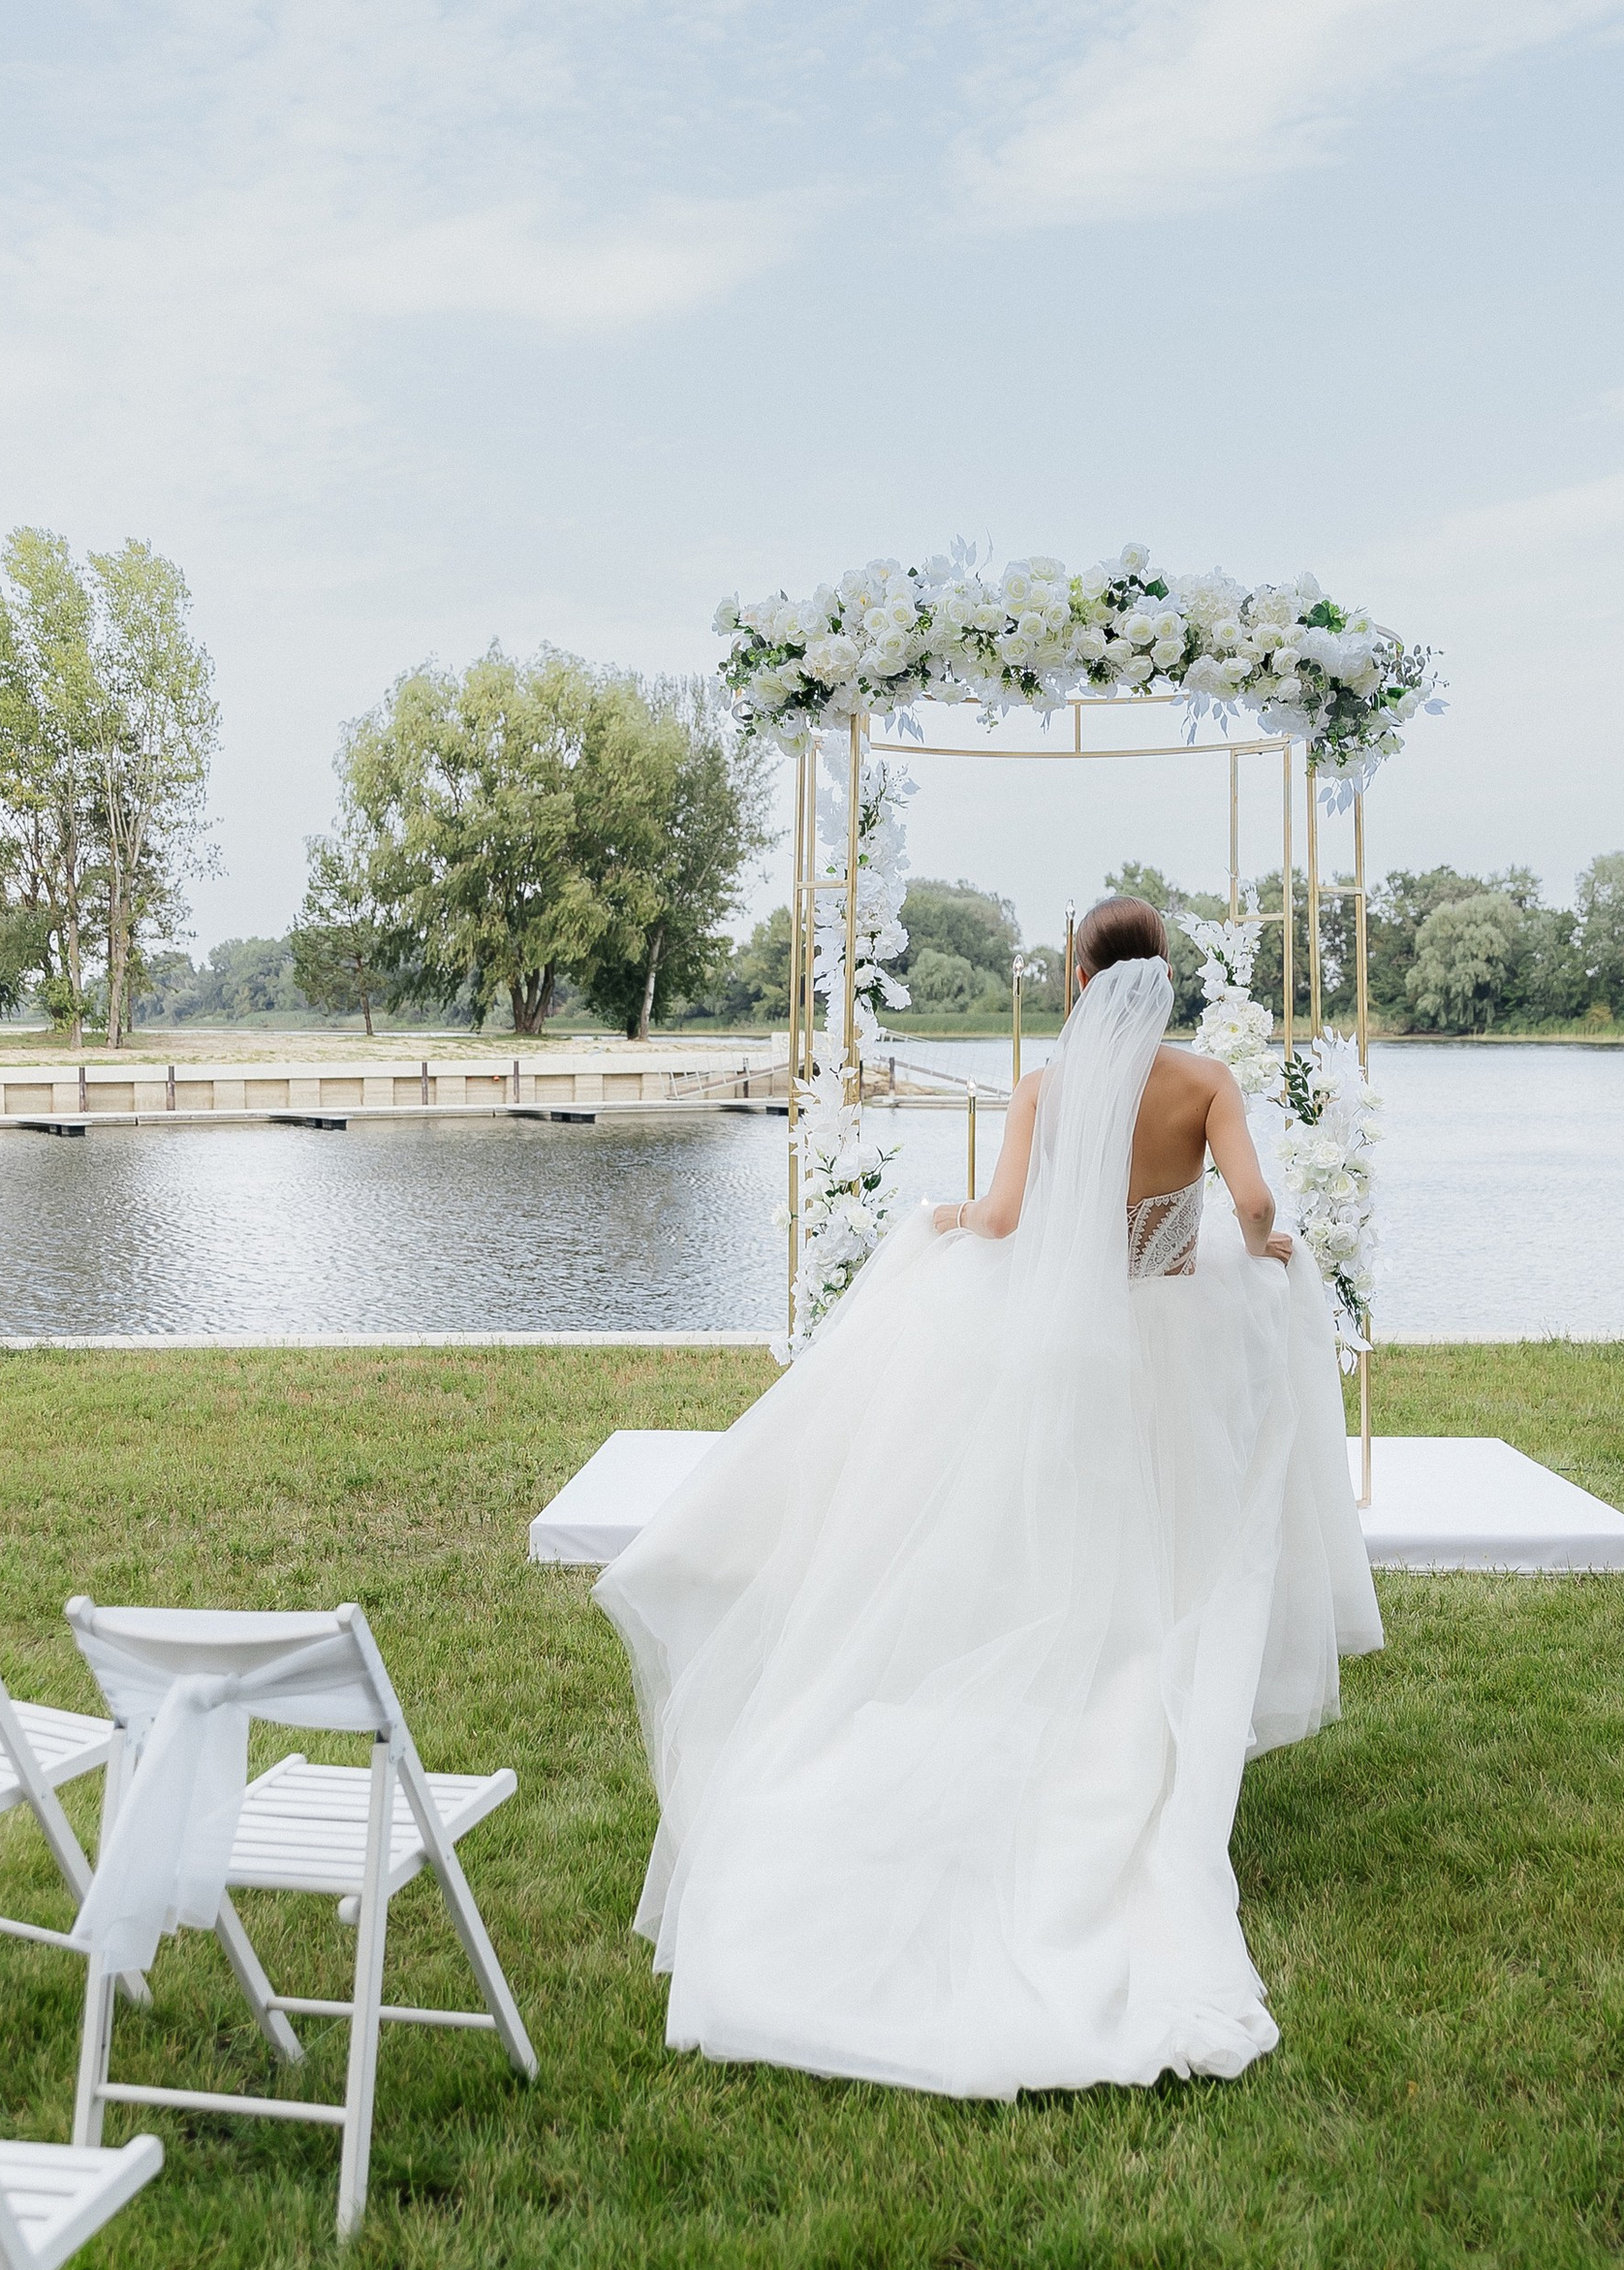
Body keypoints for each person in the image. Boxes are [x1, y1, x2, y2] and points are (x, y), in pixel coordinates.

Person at [593, 894, 1384, 2098]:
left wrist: (941, 1222)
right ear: (1158, 980)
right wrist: (1265, 1246)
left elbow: (1009, 1219)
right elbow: (1254, 1203)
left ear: (1077, 981)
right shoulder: (1207, 1080)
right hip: (1174, 1334)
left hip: (1073, 1352)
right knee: (1179, 1540)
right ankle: (1154, 1726)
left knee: (1072, 1538)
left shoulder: (1044, 1088)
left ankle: (1072, 1700)